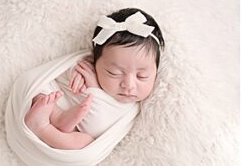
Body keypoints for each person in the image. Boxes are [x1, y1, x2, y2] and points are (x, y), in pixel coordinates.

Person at [23, 8, 163, 150]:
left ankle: (42, 129)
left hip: (68, 137)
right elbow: (59, 75)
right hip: (49, 105)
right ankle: (57, 117)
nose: (128, 85)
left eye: (142, 76)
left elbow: (96, 128)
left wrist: (95, 92)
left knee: (84, 142)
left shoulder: (133, 110)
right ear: (95, 61)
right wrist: (76, 71)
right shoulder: (88, 69)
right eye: (113, 72)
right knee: (38, 90)